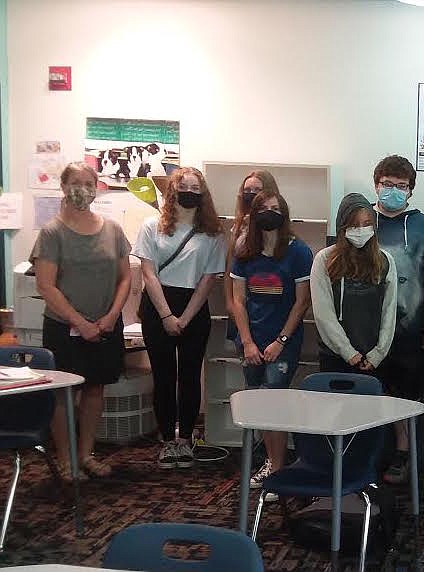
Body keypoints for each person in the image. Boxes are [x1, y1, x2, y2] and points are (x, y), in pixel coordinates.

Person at [32, 162, 131, 479]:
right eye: (75, 183)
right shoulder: (51, 232)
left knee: (94, 389)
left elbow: (126, 278)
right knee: (65, 393)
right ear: (63, 187)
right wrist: (80, 322)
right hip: (65, 328)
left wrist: (113, 316)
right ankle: (66, 460)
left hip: (105, 325)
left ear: (97, 187)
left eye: (89, 183)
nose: (83, 189)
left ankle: (86, 454)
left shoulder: (113, 229)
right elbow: (46, 285)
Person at [132, 167, 226, 469]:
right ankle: (167, 441)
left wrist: (184, 317)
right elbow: (148, 273)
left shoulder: (212, 234)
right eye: (183, 186)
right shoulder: (151, 226)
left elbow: (209, 279)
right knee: (163, 376)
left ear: (203, 193)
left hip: (194, 308)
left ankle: (185, 439)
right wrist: (166, 315)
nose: (189, 191)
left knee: (189, 376)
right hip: (158, 305)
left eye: (195, 187)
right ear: (172, 191)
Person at [230, 189, 313, 489]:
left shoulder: (299, 251)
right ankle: (271, 461)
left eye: (275, 208)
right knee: (259, 403)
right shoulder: (243, 248)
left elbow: (302, 302)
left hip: (283, 343)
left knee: (274, 401)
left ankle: (278, 468)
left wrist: (280, 340)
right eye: (263, 207)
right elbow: (238, 301)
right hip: (251, 341)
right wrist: (247, 341)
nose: (269, 212)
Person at [371, 155, 424, 484]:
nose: (394, 191)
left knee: (405, 393)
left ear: (411, 191)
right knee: (371, 392)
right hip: (367, 329)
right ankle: (369, 455)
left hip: (411, 328)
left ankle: (402, 455)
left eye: (401, 186)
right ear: (376, 185)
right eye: (388, 184)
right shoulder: (360, 223)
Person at [311, 193, 397, 376]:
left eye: (367, 224)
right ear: (343, 227)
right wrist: (347, 351)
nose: (361, 230)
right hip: (334, 355)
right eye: (354, 225)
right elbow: (323, 313)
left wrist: (379, 353)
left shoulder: (385, 260)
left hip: (372, 358)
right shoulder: (325, 259)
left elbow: (389, 312)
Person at [224, 170, 280, 320]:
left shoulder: (276, 223)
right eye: (247, 190)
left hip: (267, 298)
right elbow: (230, 266)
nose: (251, 194)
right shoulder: (238, 226)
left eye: (257, 190)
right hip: (241, 299)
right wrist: (230, 303)